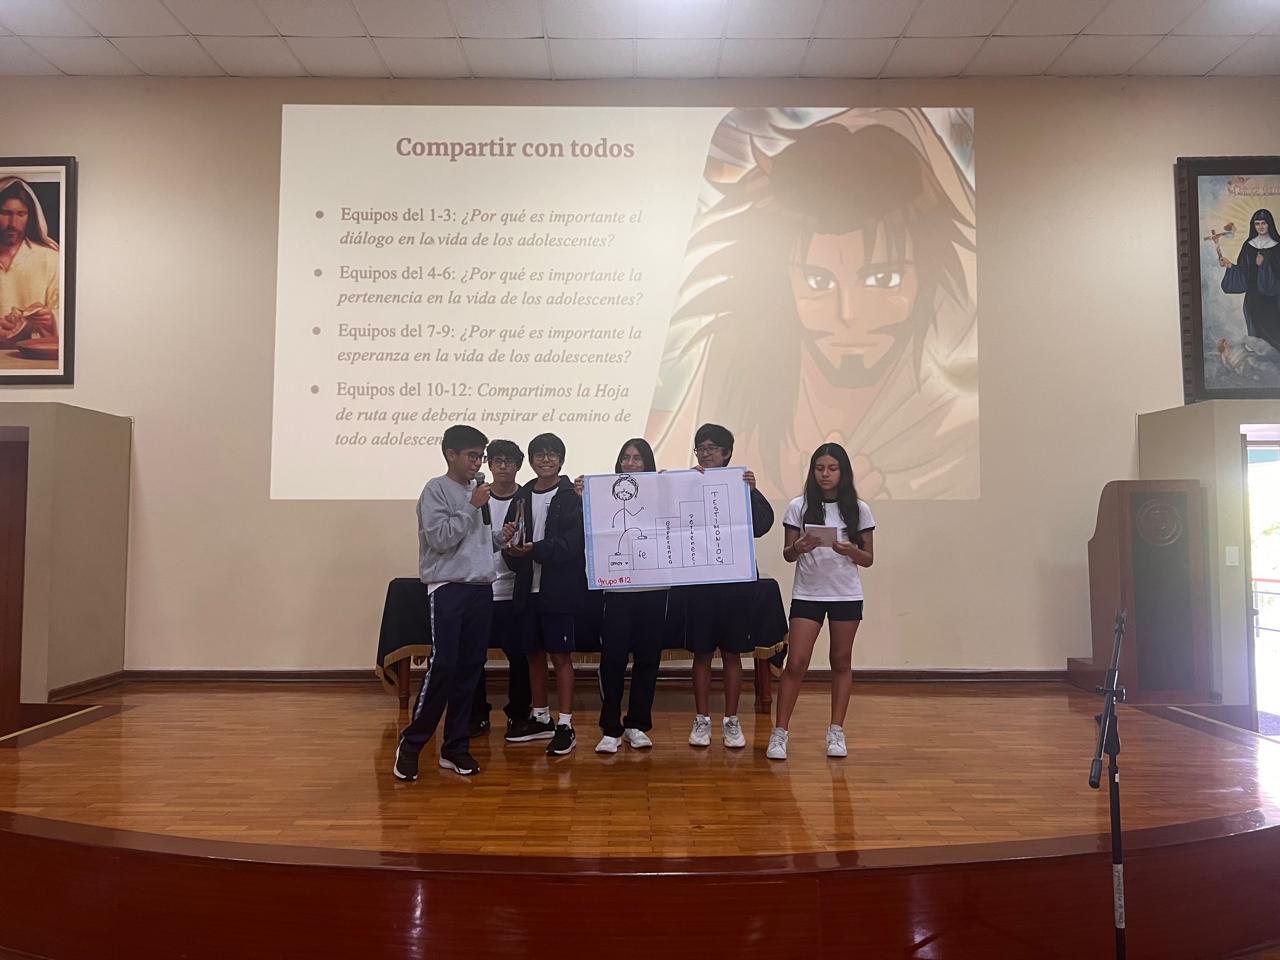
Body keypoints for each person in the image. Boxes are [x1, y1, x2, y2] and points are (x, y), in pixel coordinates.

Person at [648, 108, 976, 501]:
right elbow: (668, 481)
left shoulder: (956, 417)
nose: (848, 314)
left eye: (883, 279)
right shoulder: (737, 364)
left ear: (924, 275)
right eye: (818, 282)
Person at [394, 424, 508, 781]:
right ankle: (411, 744)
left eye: (480, 457)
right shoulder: (436, 490)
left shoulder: (477, 493)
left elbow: (473, 542)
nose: (477, 463)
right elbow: (440, 540)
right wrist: (471, 507)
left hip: (480, 588)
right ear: (451, 455)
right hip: (448, 589)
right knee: (443, 666)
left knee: (471, 668)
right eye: (472, 456)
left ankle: (455, 747)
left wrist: (499, 539)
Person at [769, 443, 875, 761]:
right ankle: (779, 733)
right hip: (808, 594)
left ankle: (836, 731)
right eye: (819, 468)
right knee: (796, 662)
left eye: (832, 468)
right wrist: (798, 547)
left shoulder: (859, 509)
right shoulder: (798, 506)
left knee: (840, 661)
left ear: (843, 472)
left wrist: (851, 550)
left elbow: (868, 559)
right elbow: (788, 555)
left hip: (845, 594)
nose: (825, 474)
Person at [681, 423, 773, 749]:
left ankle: (731, 720)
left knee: (733, 654)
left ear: (727, 453)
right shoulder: (687, 482)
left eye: (711, 448)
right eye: (700, 448)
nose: (705, 454)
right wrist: (669, 484)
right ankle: (701, 719)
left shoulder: (740, 482)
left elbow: (763, 524)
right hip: (700, 585)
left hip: (735, 585)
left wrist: (750, 491)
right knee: (702, 654)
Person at [576, 439, 667, 754]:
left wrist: (675, 486)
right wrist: (584, 500)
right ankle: (610, 728)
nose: (630, 463)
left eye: (637, 458)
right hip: (616, 591)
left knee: (648, 660)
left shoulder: (659, 494)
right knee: (612, 659)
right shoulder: (604, 498)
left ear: (647, 463)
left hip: (654, 590)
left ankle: (637, 724)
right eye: (625, 458)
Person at [502, 433, 587, 756]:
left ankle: (565, 724)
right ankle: (541, 718)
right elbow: (509, 547)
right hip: (527, 590)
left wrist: (534, 549)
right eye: (539, 454)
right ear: (532, 460)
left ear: (561, 460)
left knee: (560, 657)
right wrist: (511, 549)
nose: (546, 460)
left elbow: (571, 545)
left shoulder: (571, 496)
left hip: (559, 590)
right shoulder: (521, 496)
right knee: (533, 654)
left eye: (552, 454)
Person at [467, 439, 532, 738]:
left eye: (510, 461)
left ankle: (518, 715)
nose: (504, 466)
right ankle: (476, 714)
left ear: (519, 465)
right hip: (480, 588)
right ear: (489, 465)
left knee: (520, 657)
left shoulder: (527, 497)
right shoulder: (476, 496)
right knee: (473, 656)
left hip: (516, 591)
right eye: (497, 461)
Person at [0, 177, 59, 344]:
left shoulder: (50, 258)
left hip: (32, 355)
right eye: (5, 213)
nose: (12, 223)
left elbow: (67, 313)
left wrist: (50, 319)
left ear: (30, 217)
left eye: (21, 214)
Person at [1219, 209, 1280, 352]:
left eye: (1264, 223)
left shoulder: (1278, 245)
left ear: (1270, 224)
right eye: (1257, 223)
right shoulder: (1248, 245)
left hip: (1273, 298)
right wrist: (1230, 265)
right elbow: (1243, 271)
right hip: (1253, 298)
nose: (1260, 226)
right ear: (1253, 225)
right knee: (1257, 335)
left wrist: (1265, 264)